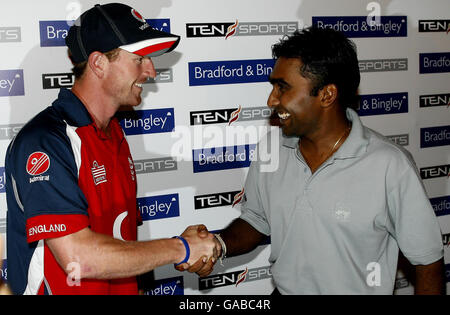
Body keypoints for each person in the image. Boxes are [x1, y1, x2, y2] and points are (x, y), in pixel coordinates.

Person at [181, 26, 445, 295]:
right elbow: (256, 220)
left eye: (282, 87)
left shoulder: (390, 165)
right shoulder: (272, 148)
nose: (271, 99)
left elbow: (428, 262)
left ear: (327, 95)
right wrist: (217, 244)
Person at [5, 3, 216, 295]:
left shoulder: (114, 133)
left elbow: (119, 238)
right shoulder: (45, 141)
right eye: (139, 59)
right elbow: (77, 257)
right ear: (98, 63)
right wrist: (180, 248)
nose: (151, 71)